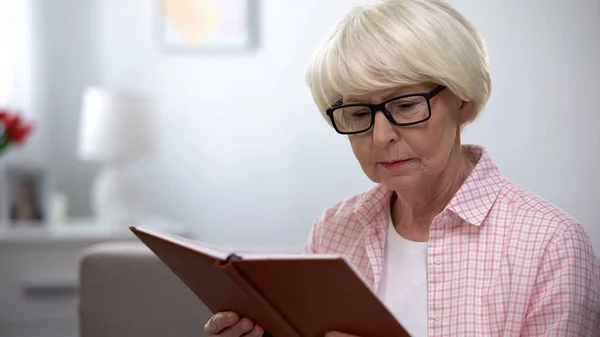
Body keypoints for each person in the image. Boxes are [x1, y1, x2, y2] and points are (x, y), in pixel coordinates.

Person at [204, 0, 600, 336]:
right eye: (358, 113)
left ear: (464, 99)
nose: (380, 136)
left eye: (406, 105)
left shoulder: (552, 244)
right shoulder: (333, 229)